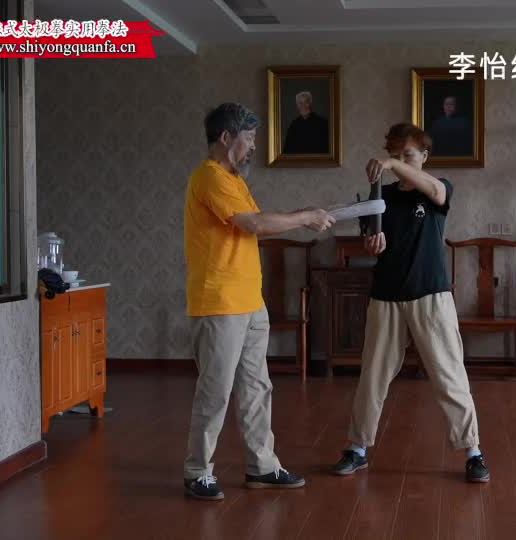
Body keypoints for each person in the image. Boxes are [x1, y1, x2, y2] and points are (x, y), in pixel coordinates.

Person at [183, 102, 335, 500]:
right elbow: (253, 223)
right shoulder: (209, 176)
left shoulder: (234, 181)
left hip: (250, 302)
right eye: (249, 138)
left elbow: (258, 224)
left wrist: (304, 214)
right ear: (226, 137)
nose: (253, 146)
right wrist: (304, 218)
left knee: (256, 388)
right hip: (219, 304)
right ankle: (197, 472)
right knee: (215, 391)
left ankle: (262, 467)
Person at [331, 122, 490, 483]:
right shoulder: (379, 197)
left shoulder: (437, 188)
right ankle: (357, 448)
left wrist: (392, 165)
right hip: (386, 296)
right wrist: (372, 244)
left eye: (408, 155)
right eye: (395, 155)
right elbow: (372, 241)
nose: (400, 161)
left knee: (449, 375)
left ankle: (473, 451)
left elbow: (436, 190)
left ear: (424, 157)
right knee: (372, 377)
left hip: (431, 295)